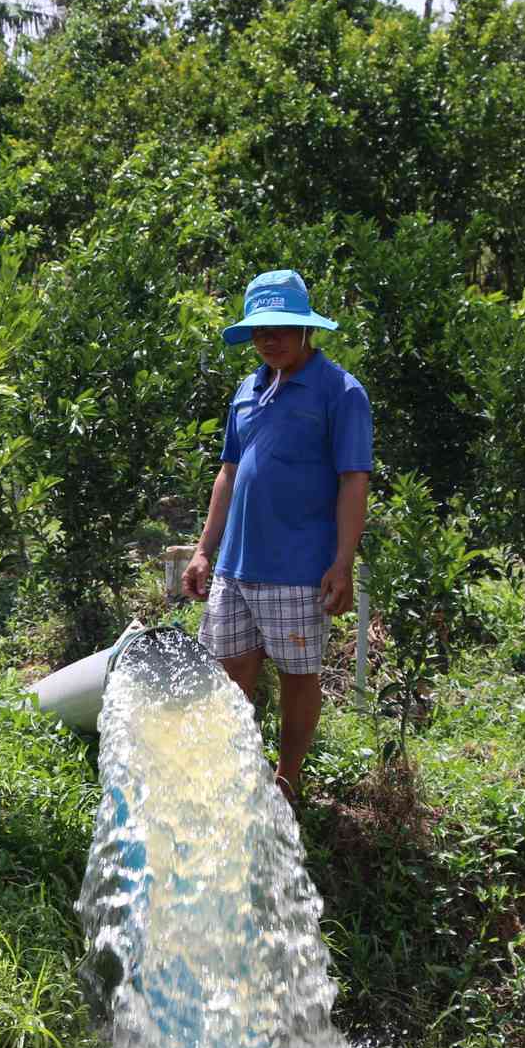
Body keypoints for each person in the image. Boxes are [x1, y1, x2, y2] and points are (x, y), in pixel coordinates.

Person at [181, 269, 372, 806]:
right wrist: (203, 550)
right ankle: (239, 768)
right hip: (235, 566)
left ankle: (288, 779)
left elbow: (353, 480)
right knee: (227, 672)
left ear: (306, 329)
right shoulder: (248, 389)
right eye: (261, 329)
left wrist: (342, 561)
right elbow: (228, 472)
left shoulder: (339, 392)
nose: (270, 338)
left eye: (282, 327)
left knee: (296, 673)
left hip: (298, 567)